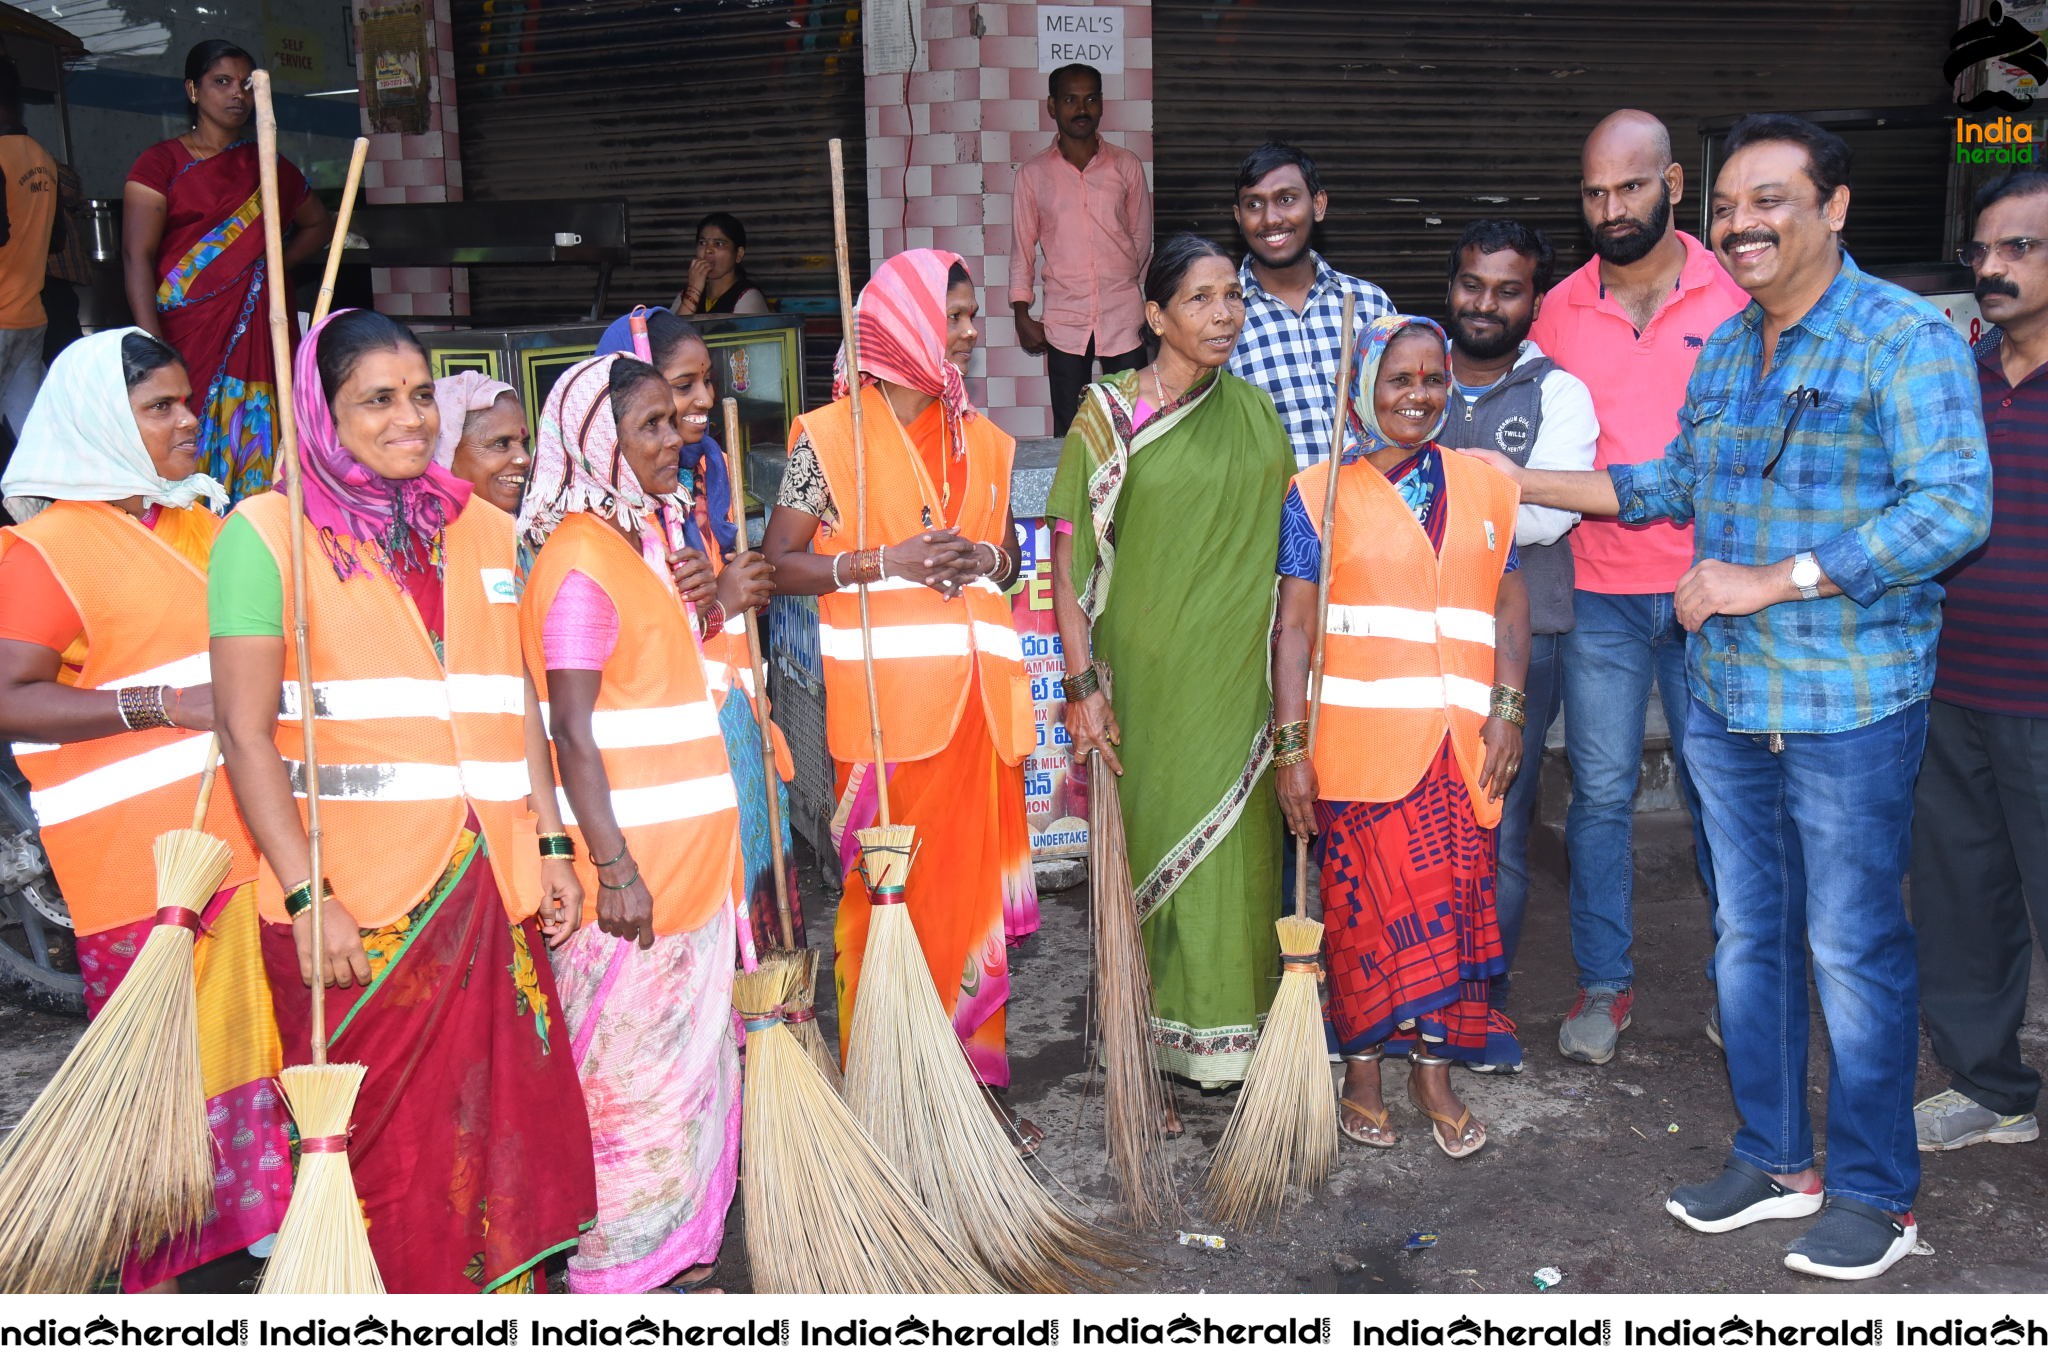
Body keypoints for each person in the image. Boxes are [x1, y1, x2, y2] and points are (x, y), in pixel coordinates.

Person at [1495, 115, 1990, 1281]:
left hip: (1849, 699)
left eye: (1769, 199)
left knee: (1851, 945)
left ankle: (1876, 1192)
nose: (1739, 223)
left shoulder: (1901, 337)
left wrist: (1776, 578)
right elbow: (1662, 484)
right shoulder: (1725, 349)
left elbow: (1951, 508)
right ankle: (1774, 1160)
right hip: (1727, 700)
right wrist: (1494, 473)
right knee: (1749, 935)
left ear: (1834, 209)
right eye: (1726, 206)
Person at [210, 308, 595, 1293]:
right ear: (322, 412)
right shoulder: (263, 535)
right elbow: (245, 733)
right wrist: (306, 893)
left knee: (505, 1143)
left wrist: (552, 838)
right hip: (358, 909)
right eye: (377, 399)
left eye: (421, 394)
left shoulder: (479, 525)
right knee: (390, 1171)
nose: (410, 418)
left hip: (487, 887)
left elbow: (510, 696)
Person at [0, 329, 287, 1291]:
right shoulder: (43, 551)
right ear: (97, 424)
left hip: (246, 843)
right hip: (138, 862)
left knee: (253, 1043)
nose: (188, 420)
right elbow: (8, 693)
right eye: (159, 407)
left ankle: (260, 1227)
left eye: (187, 401)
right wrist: (161, 705)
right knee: (163, 1071)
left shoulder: (207, 525)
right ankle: (156, 1278)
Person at [760, 249, 1039, 1145]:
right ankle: (891, 1097)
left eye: (969, 314)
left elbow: (1015, 556)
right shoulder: (827, 440)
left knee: (973, 910)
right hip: (887, 724)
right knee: (887, 906)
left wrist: (984, 559)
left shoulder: (984, 439)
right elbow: (777, 564)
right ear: (908, 327)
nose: (968, 332)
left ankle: (975, 1095)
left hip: (980, 716)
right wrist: (883, 562)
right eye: (953, 316)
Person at [518, 351, 744, 1294]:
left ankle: (674, 1258)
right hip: (639, 881)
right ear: (596, 439)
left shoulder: (633, 544)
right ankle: (621, 1279)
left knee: (682, 1084)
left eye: (671, 421)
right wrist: (611, 868)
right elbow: (570, 729)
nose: (674, 440)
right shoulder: (577, 559)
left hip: (688, 869)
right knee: (633, 1094)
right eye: (649, 425)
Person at [1274, 314, 1528, 1156]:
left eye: (1431, 378)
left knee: (1451, 915)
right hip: (1361, 756)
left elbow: (1507, 601)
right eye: (1397, 380)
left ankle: (1433, 1072)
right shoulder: (1316, 494)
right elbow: (1295, 629)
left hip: (1463, 752)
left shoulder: (1488, 485)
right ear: (1360, 395)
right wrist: (1290, 747)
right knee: (1362, 920)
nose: (1418, 395)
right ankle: (1363, 1071)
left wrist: (1510, 706)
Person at [1049, 233, 1294, 1102]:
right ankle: (1140, 1062)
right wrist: (1081, 688)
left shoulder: (1258, 414)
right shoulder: (1109, 416)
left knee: (1238, 861)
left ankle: (1227, 1049)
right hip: (1145, 689)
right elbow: (1069, 567)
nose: (1225, 313)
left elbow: (1292, 552)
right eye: (1200, 298)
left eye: (1234, 295)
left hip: (1240, 683)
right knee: (1146, 861)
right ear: (1154, 315)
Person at [1527, 109, 1746, 1066]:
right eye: (1594, 192)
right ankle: (1604, 985)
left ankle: (1736, 987)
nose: (1612, 209)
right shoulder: (1559, 309)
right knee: (1604, 795)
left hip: (1715, 592)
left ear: (1674, 187)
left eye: (1630, 187)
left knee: (1723, 795)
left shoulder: (1737, 287)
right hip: (1603, 597)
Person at [1909, 170, 2048, 1154]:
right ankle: (1990, 1086)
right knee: (1960, 899)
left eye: (2019, 249)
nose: (1990, 269)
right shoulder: (1951, 380)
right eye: (1981, 250)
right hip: (1947, 689)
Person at [1439, 219, 1598, 1068]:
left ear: (1535, 300)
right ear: (1451, 285)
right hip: (1411, 639)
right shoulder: (1409, 370)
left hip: (1520, 644)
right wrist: (1485, 493)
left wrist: (1429, 493)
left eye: (1507, 289)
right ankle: (1417, 987)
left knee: (1498, 820)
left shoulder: (1557, 392)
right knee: (1411, 811)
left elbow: (1546, 514)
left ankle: (1481, 1000)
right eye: (1472, 284)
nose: (1485, 303)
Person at [595, 306, 794, 952]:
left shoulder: (709, 471)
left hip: (739, 724)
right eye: (684, 385)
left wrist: (743, 588)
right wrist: (720, 604)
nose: (706, 398)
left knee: (766, 931)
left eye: (708, 379)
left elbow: (726, 596)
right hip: (672, 761)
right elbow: (635, 646)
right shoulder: (611, 510)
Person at [123, 40, 333, 503]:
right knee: (179, 434)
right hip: (183, 331)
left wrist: (264, 268)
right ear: (193, 90)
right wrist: (149, 345)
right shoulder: (160, 164)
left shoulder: (267, 164)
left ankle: (253, 532)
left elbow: (318, 223)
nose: (236, 93)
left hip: (259, 324)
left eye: (245, 84)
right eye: (222, 82)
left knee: (262, 444)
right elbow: (136, 256)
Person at [1228, 141, 1393, 468]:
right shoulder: (1220, 316)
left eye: (1286, 200)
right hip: (1276, 515)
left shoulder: (1371, 305)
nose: (1270, 219)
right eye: (1254, 204)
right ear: (1238, 216)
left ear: (1318, 205)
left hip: (1370, 509)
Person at [1010, 62, 1153, 437]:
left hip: (1123, 317)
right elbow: (1022, 247)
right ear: (1052, 107)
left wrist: (1119, 282)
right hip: (1065, 320)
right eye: (1071, 99)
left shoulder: (1126, 166)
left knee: (1134, 423)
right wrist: (1021, 313)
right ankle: (1073, 497)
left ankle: (1133, 496)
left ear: (1101, 104)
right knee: (1071, 429)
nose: (1082, 108)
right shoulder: (1033, 175)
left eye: (1091, 98)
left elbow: (1141, 239)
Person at [0, 60, 56, 448]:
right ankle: (39, 510)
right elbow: (57, 242)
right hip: (30, 317)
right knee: (31, 443)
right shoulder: (41, 157)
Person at [434, 371, 528, 514]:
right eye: (501, 443)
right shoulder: (418, 534)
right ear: (445, 450)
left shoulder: (521, 532)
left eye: (524, 444)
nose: (525, 459)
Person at [672, 213, 770, 316]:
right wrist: (693, 290)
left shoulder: (749, 297)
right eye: (702, 243)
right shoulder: (686, 295)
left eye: (719, 244)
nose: (708, 250)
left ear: (739, 254)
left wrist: (693, 291)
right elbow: (671, 331)